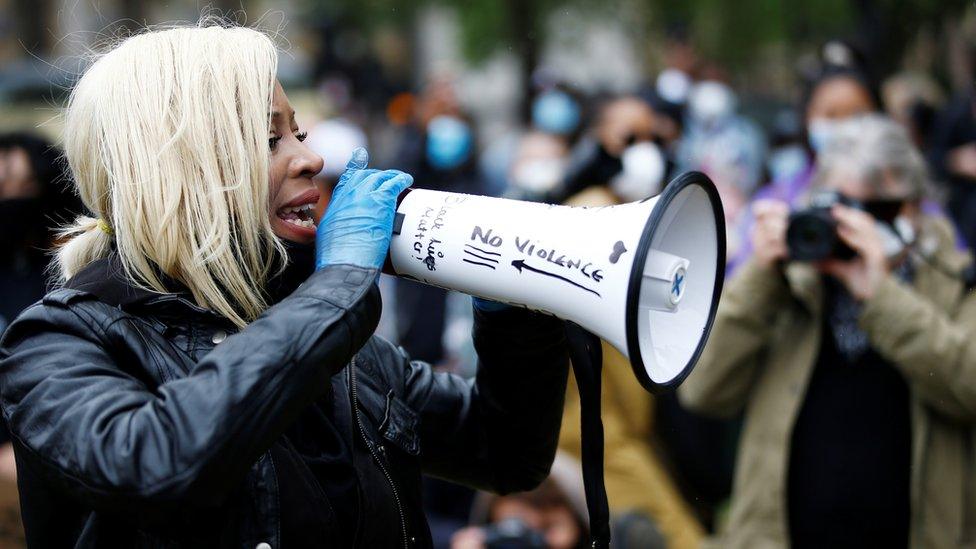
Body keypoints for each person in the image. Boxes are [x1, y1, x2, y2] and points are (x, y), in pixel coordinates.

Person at [0, 22, 570, 548]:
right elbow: (155, 464)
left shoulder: (333, 341)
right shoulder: (59, 341)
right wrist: (341, 286)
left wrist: (513, 308)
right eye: (271, 140)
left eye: (298, 133)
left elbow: (506, 454)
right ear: (180, 167)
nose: (312, 158)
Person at [680, 115, 976, 548]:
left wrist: (881, 296)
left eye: (878, 211)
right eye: (842, 209)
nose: (856, 228)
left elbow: (969, 387)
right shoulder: (789, 283)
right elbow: (703, 390)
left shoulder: (959, 281)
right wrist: (761, 276)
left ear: (916, 208)